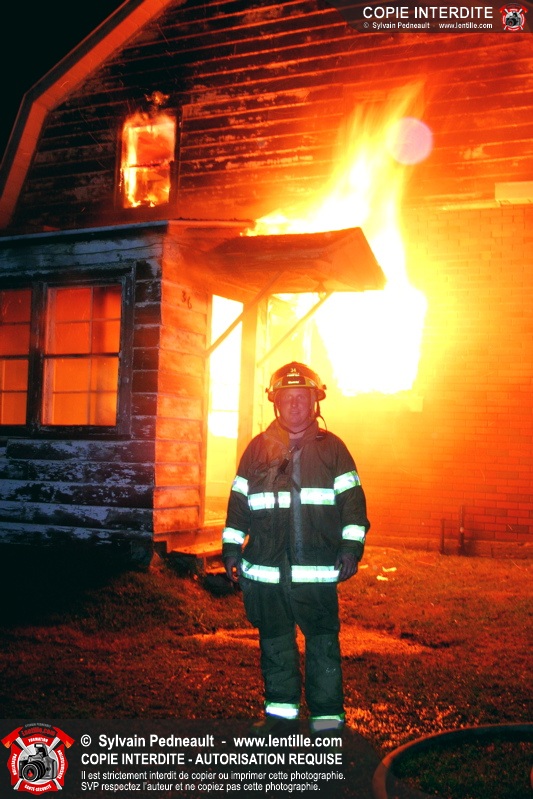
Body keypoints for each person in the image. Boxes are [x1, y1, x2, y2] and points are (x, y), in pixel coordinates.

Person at [222, 361, 370, 736]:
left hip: (315, 575)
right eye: (287, 397)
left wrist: (350, 547)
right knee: (275, 647)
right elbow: (238, 505)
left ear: (314, 401)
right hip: (266, 575)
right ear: (275, 402)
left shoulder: (333, 450)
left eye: (301, 397)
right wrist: (231, 549)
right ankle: (280, 719)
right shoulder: (257, 451)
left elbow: (353, 506)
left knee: (322, 648)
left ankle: (327, 724)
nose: (294, 405)